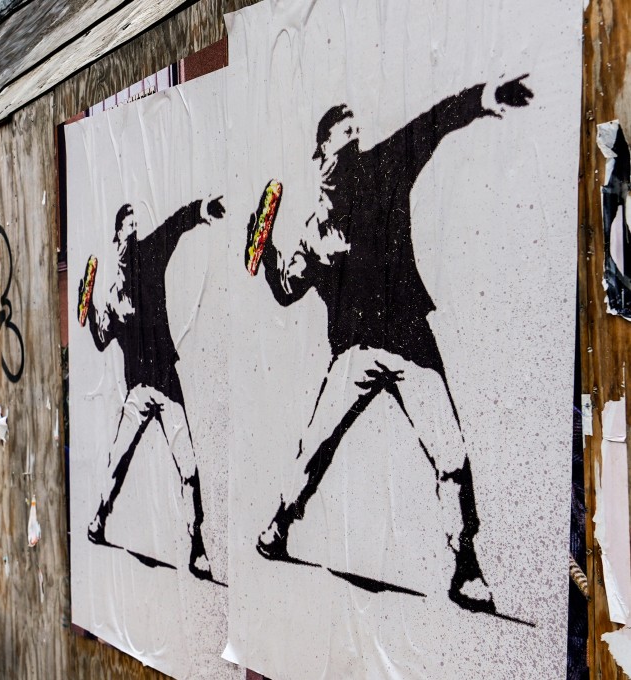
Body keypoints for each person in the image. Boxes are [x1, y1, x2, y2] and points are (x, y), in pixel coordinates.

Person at [250, 75, 534, 614]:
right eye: (341, 132)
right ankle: (280, 523)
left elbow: (433, 122)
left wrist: (484, 97)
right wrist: (264, 254)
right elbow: (287, 291)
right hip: (354, 352)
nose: (353, 136)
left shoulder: (385, 166)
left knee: (451, 454)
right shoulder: (313, 232)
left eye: (357, 128)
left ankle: (465, 566)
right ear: (320, 155)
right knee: (314, 448)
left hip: (409, 340)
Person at [83, 197, 225, 581]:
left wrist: (201, 210)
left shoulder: (149, 255)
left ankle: (197, 548)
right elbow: (100, 338)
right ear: (116, 241)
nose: (132, 230)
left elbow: (175, 223)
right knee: (117, 461)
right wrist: (93, 308)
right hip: (137, 394)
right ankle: (99, 518)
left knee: (189, 467)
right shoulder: (113, 297)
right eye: (125, 226)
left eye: (134, 224)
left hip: (165, 385)